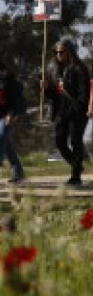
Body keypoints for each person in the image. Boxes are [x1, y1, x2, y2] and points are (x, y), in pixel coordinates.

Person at [44, 38, 89, 187]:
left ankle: (76, 177)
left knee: (76, 142)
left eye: (61, 52)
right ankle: (77, 166)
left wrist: (81, 109)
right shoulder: (54, 69)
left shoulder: (79, 68)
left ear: (69, 51)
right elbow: (52, 95)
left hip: (76, 112)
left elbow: (84, 92)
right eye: (56, 52)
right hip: (60, 111)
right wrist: (46, 88)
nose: (58, 55)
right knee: (60, 141)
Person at [0, 58, 25, 186]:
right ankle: (18, 172)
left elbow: (14, 97)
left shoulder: (7, 77)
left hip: (6, 115)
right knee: (6, 146)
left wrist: (12, 114)